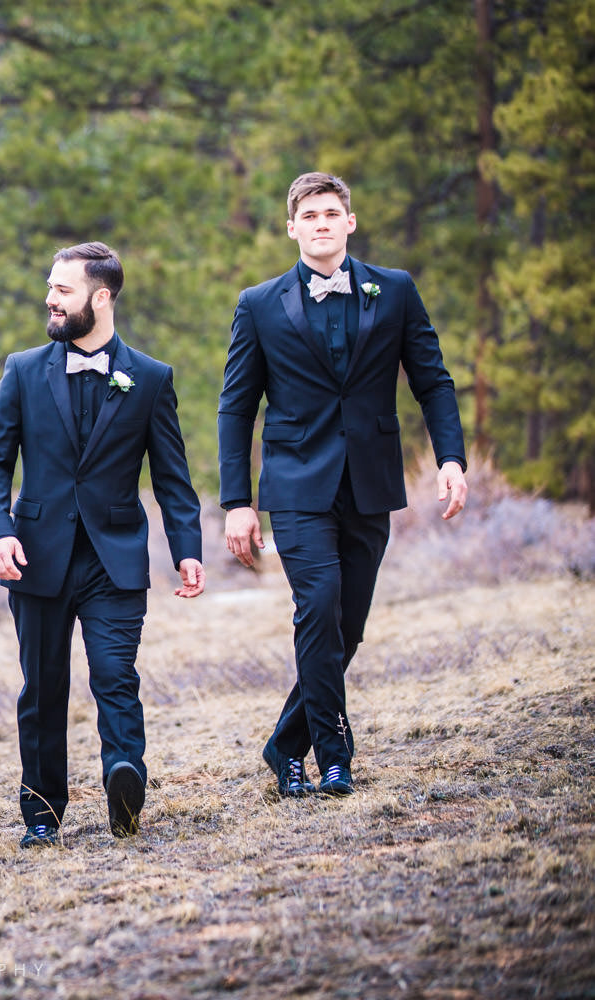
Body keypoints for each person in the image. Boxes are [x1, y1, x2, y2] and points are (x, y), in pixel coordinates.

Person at [218, 171, 468, 798]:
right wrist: (237, 502)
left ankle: (283, 742)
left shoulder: (397, 291)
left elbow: (432, 381)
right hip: (296, 484)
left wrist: (451, 458)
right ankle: (333, 755)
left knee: (348, 625)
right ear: (292, 227)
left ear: (350, 222)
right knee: (319, 604)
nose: (322, 223)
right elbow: (236, 408)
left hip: (370, 480)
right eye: (310, 215)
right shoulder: (259, 304)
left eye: (333, 213)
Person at [0, 242, 205, 847]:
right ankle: (42, 815)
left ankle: (124, 780)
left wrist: (187, 548)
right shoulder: (23, 370)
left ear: (100, 298)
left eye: (63, 290)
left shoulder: (151, 378)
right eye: (50, 288)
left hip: (115, 557)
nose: (50, 299)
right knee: (43, 687)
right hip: (37, 557)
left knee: (114, 675)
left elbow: (173, 477)